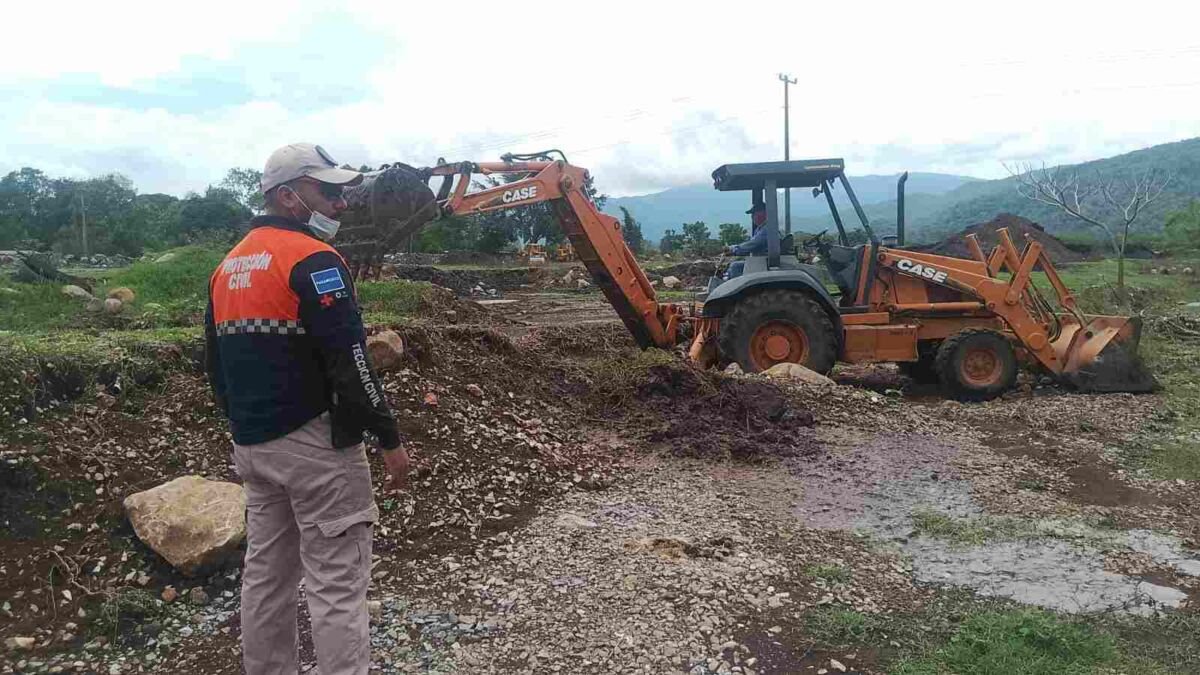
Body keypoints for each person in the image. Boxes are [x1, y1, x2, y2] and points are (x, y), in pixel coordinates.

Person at [204, 142, 410, 675]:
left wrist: (243, 426)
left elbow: (216, 363)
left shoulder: (229, 266)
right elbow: (351, 359)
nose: (340, 202)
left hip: (253, 444)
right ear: (289, 195)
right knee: (337, 583)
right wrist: (388, 438)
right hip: (316, 449)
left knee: (266, 577)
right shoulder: (315, 260)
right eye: (328, 190)